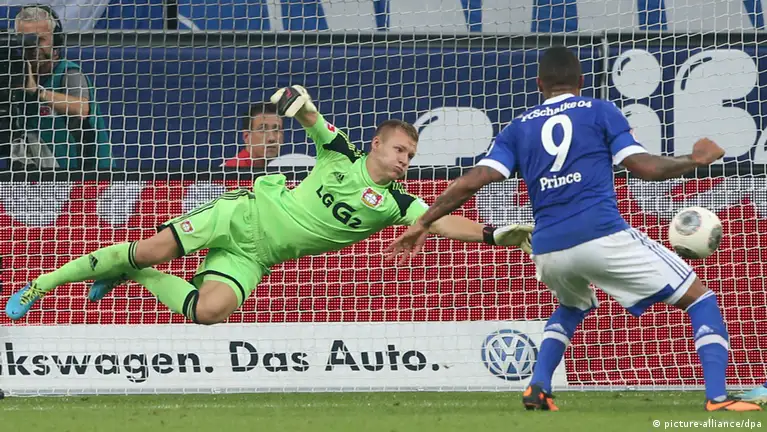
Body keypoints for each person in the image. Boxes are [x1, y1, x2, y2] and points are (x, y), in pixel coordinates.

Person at [385, 47, 761, 412]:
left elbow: (470, 182)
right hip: (600, 233)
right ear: (581, 81)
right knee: (700, 299)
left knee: (572, 304)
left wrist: (423, 222)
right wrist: (694, 160)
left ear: (539, 84)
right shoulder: (599, 110)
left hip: (548, 247)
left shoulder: (517, 128)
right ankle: (717, 397)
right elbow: (644, 168)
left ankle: (538, 386)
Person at [5, 85, 533, 325]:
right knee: (150, 248)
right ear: (377, 144)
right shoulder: (342, 153)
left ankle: (131, 274)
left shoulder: (397, 202)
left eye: (411, 156)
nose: (404, 161)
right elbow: (309, 115)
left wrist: (491, 235)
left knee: (208, 312)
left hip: (258, 257)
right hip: (242, 213)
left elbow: (442, 220)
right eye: (399, 150)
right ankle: (42, 284)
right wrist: (295, 100)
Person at [13, 4, 111, 171]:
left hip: (86, 174)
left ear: (56, 40)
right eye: (26, 40)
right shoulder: (14, 75)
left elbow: (81, 108)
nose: (33, 47)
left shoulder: (68, 72)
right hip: (39, 174)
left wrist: (37, 92)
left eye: (40, 40)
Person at [222, 102, 283, 168]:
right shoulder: (232, 169)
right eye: (263, 130)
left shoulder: (282, 168)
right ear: (246, 137)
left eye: (277, 130)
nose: (272, 138)